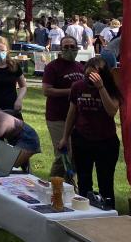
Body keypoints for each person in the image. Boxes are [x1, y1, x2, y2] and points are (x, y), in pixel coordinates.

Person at [59, 57, 122, 208]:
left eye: (93, 76)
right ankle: (85, 209)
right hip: (82, 138)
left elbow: (112, 111)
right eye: (87, 75)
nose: (89, 79)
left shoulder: (111, 87)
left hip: (105, 140)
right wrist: (65, 137)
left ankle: (107, 209)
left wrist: (101, 88)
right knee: (84, 179)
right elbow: (72, 113)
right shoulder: (78, 87)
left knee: (105, 180)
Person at [41, 35, 83, 179]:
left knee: (76, 155)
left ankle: (70, 186)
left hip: (77, 118)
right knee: (63, 154)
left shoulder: (80, 67)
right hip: (57, 117)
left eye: (72, 46)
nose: (69, 49)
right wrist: (71, 91)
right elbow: (47, 90)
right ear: (60, 49)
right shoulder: (52, 67)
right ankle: (54, 187)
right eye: (66, 47)